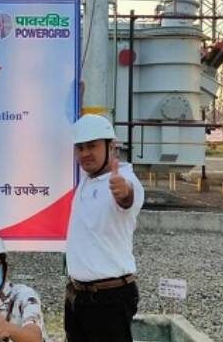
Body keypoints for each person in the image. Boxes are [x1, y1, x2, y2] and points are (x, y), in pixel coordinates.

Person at [64, 114, 145, 342]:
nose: (85, 153)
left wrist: (123, 192)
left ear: (112, 146)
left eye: (92, 146)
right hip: (77, 295)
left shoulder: (125, 180)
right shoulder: (88, 178)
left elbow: (127, 198)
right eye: (80, 147)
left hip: (109, 298)